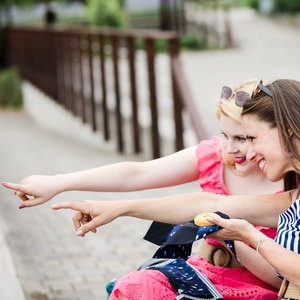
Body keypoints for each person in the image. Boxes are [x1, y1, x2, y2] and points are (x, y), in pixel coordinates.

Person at [2, 79, 283, 299]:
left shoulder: (287, 178)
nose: (231, 148)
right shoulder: (213, 157)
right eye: (225, 134)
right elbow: (138, 172)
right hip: (207, 273)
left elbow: (281, 276)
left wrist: (230, 237)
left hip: (267, 286)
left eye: (244, 138)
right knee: (136, 287)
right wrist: (59, 182)